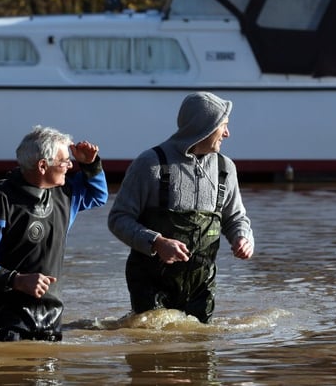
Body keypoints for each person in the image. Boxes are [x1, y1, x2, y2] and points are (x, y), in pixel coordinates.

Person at [108, 91, 254, 323]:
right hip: (151, 282)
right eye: (223, 126)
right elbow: (118, 219)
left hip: (201, 285)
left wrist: (242, 238)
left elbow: (235, 217)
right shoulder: (150, 164)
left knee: (201, 351)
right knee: (152, 348)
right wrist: (157, 242)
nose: (227, 133)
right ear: (204, 127)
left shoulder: (226, 168)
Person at [0, 125, 108, 342]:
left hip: (51, 319)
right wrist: (16, 280)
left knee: (49, 375)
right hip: (6, 323)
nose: (69, 165)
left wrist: (91, 165)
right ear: (42, 165)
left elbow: (97, 195)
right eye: (65, 160)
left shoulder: (65, 195)